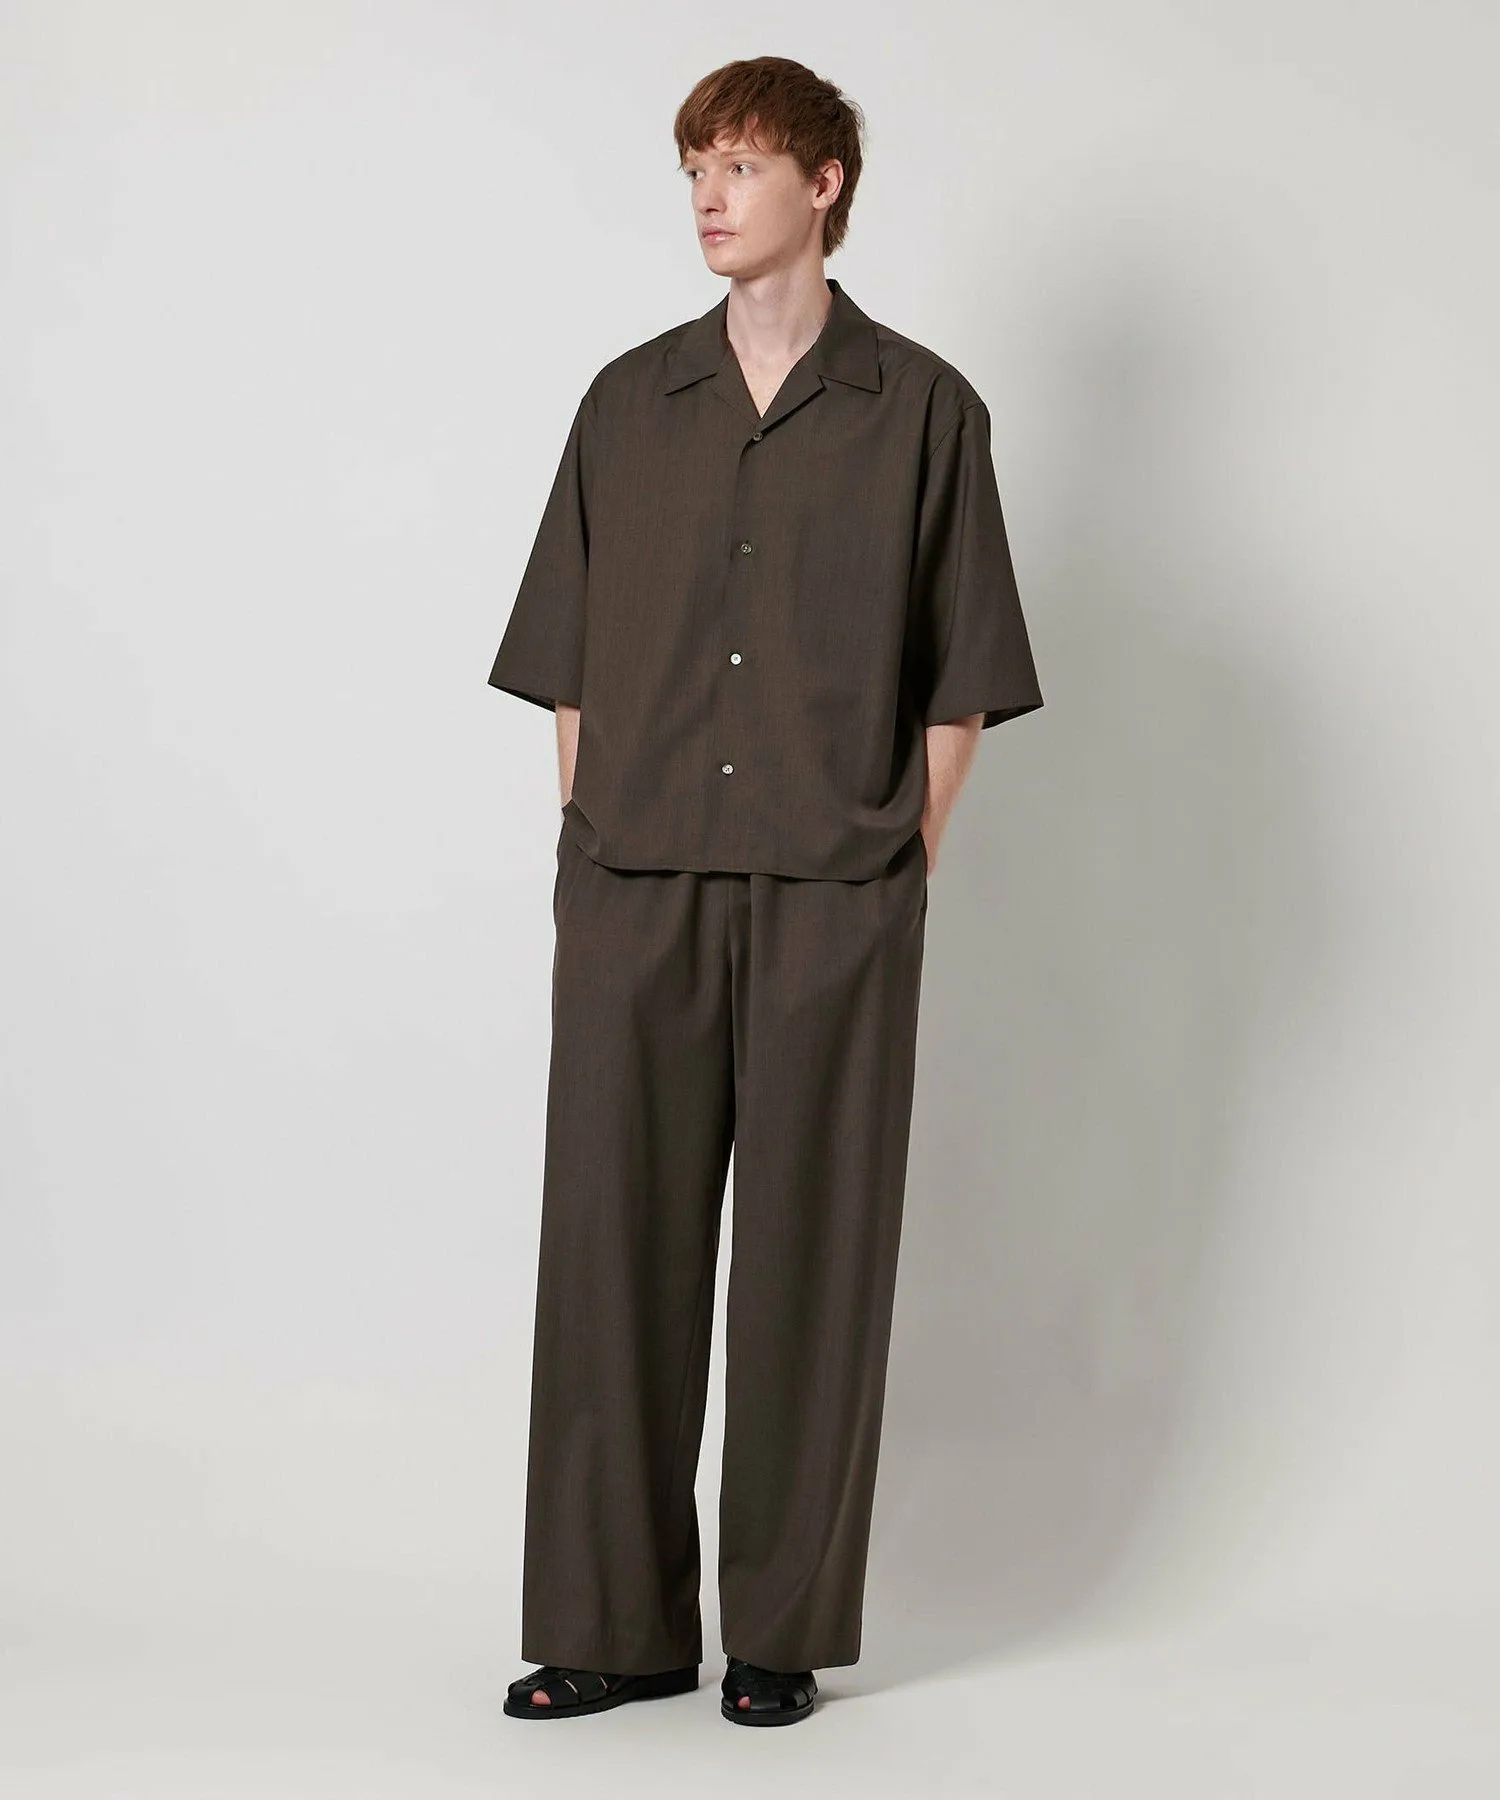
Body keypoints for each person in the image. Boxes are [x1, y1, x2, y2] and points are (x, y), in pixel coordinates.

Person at [491, 55, 1043, 1728]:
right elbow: (570, 665)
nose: (710, 197)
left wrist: (890, 863)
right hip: (636, 885)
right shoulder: (625, 404)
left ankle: (780, 1634)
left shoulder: (926, 411)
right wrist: (592, 836)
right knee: (612, 1256)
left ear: (825, 183)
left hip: (834, 896)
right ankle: (613, 1627)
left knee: (814, 1258)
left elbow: (959, 687)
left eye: (739, 164)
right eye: (694, 169)